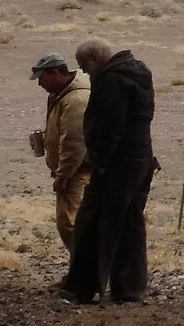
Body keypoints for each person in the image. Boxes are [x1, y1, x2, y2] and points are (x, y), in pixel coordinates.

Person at [58, 39, 157, 304]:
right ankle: (130, 288)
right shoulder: (137, 72)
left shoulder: (112, 80)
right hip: (140, 159)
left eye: (84, 67)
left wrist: (100, 162)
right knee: (130, 223)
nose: (86, 73)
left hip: (118, 164)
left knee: (92, 222)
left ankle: (81, 287)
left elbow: (110, 127)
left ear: (94, 59)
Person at [31, 53, 92, 251]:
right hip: (73, 170)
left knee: (71, 225)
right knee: (69, 224)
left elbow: (74, 142)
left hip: (78, 171)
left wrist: (63, 175)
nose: (40, 84)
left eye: (42, 78)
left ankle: (85, 273)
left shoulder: (75, 99)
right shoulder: (61, 95)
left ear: (55, 73)